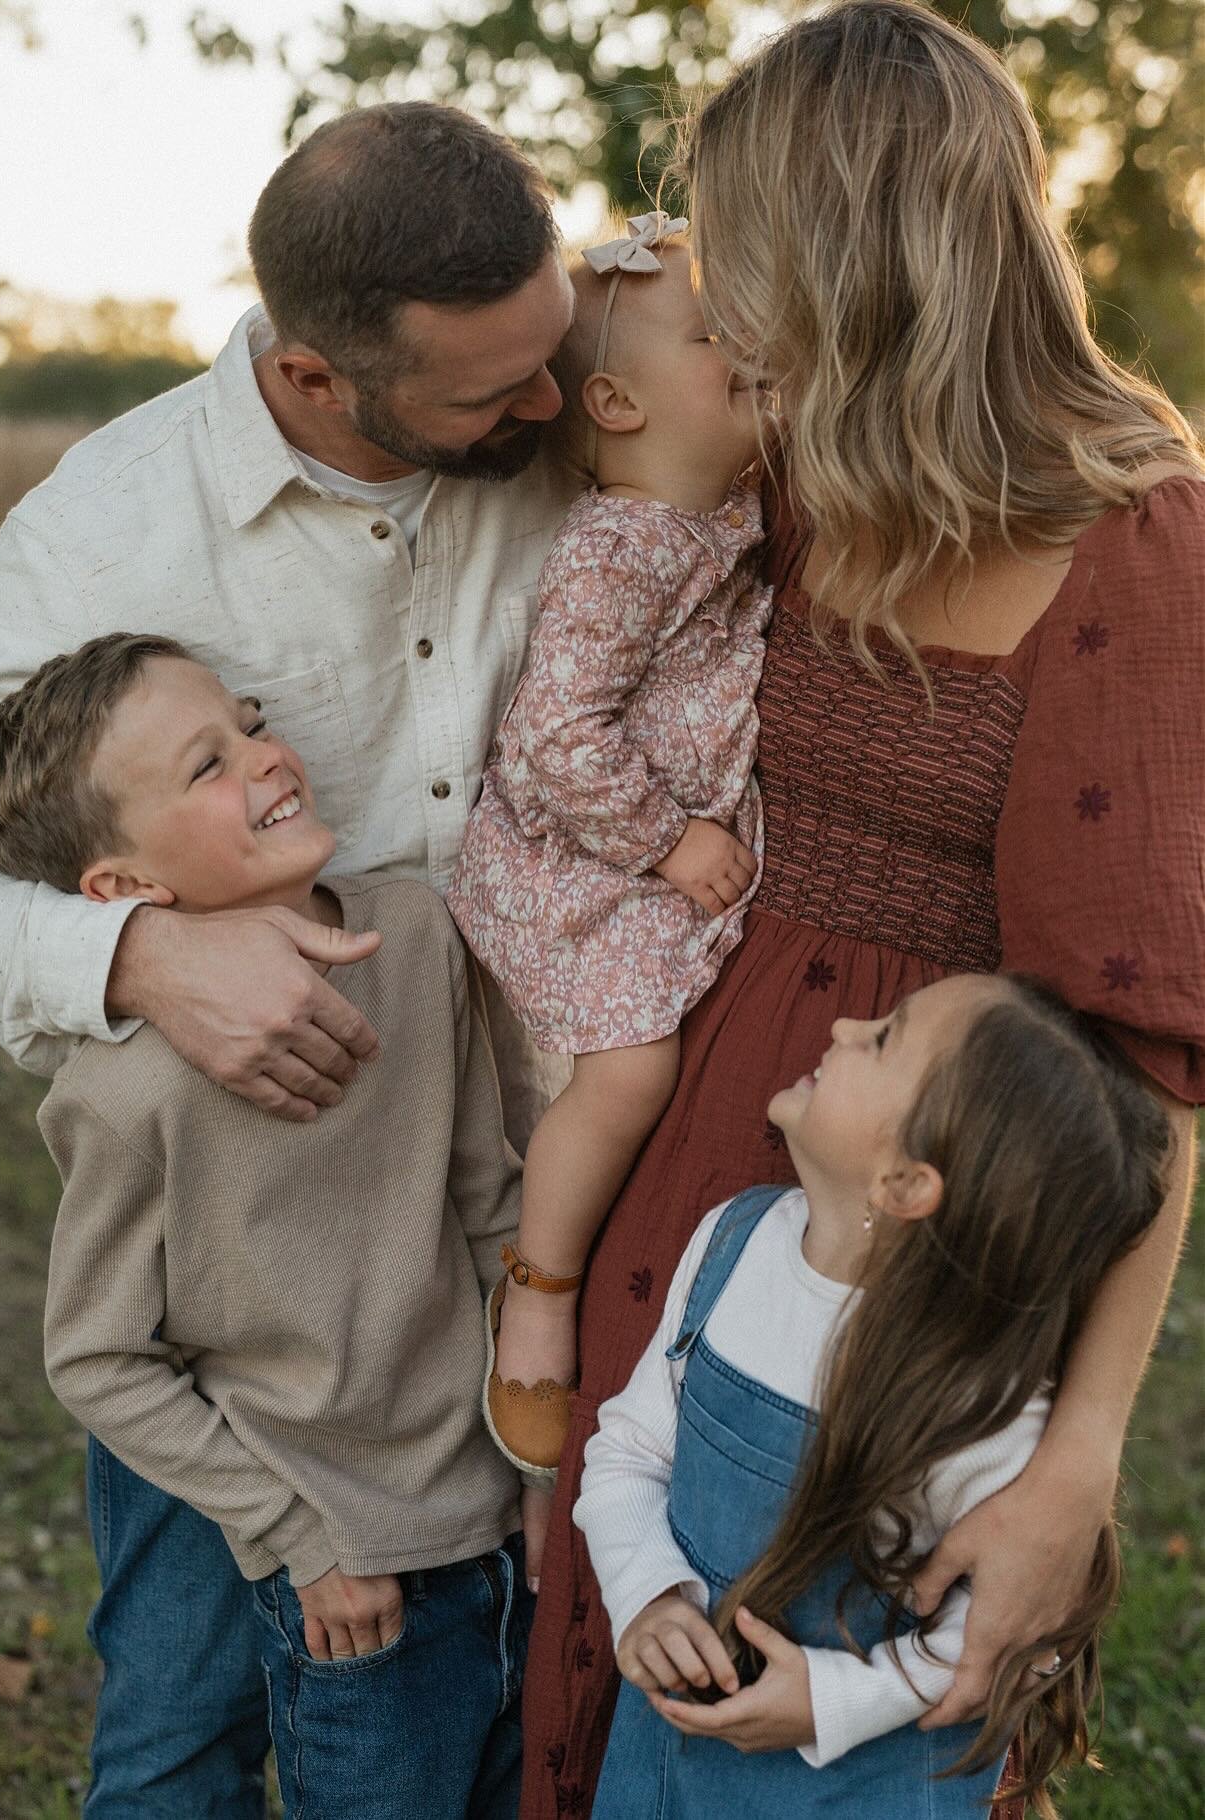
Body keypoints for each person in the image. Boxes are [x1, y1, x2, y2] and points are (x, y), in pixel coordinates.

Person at [519, 8, 1205, 1816]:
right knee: (629, 1645)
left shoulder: (1132, 543)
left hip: (908, 1221)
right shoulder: (797, 464)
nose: (721, 292)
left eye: (746, 241)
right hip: (697, 1134)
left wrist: (1076, 1459)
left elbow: (1149, 1068)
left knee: (851, 1720)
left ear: (854, 254)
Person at [0, 103, 574, 1818]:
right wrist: (143, 958)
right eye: (491, 392)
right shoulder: (108, 527)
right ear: (318, 378)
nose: (552, 406)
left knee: (479, 1719)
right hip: (237, 1287)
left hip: (498, 1231)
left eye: (553, 353)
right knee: (176, 1735)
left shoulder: (564, 401)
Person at [0, 632, 533, 1820]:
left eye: (251, 723)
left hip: (492, 1524)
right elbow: (97, 1356)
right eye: (207, 764)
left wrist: (532, 1460)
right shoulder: (130, 1092)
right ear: (123, 888)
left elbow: (489, 1205)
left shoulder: (417, 936)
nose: (266, 758)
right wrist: (301, 1541)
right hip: (345, 1574)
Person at [574, 974, 1170, 1818]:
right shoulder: (731, 1245)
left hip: (861, 1789)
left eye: (883, 1038)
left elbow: (1011, 1632)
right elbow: (628, 1452)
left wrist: (831, 1700)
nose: (845, 1024)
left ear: (904, 1184)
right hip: (671, 1766)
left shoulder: (969, 1396)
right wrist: (650, 1596)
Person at [447, 213, 770, 1481]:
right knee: (633, 1072)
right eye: (716, 334)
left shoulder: (721, 511)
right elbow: (551, 738)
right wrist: (670, 841)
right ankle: (539, 1285)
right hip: (576, 861)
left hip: (644, 860)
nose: (755, 345)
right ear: (619, 404)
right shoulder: (619, 547)